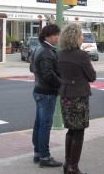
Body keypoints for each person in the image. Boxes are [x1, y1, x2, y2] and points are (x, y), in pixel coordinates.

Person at [58, 23, 96, 174]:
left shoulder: (60, 54)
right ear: (75, 37)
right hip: (79, 96)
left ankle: (67, 163)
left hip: (65, 96)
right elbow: (92, 76)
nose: (82, 38)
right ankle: (74, 167)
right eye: (81, 35)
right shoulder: (81, 55)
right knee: (79, 132)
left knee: (70, 131)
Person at [29, 24, 63, 168]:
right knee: (45, 125)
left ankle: (37, 153)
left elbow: (32, 68)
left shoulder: (38, 48)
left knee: (39, 123)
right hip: (47, 92)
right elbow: (49, 74)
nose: (58, 37)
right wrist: (61, 84)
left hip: (38, 90)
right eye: (56, 34)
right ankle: (44, 156)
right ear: (48, 36)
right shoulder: (47, 52)